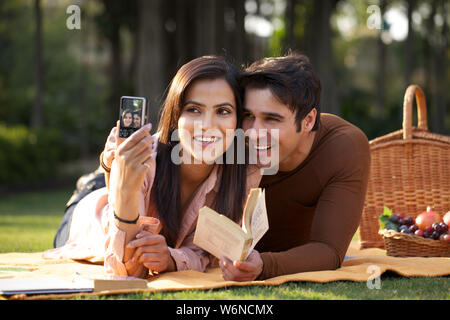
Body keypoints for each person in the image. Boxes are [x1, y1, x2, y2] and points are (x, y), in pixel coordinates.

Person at [45, 56, 261, 278]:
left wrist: (170, 259)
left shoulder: (242, 173)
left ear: (238, 120)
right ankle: (99, 177)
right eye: (194, 109)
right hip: (88, 217)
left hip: (121, 186)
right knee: (119, 172)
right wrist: (126, 190)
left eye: (223, 111)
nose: (207, 126)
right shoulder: (146, 159)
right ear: (176, 115)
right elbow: (128, 272)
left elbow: (208, 254)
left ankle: (106, 175)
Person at [218, 53, 371, 281]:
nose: (253, 132)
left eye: (271, 119)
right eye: (248, 116)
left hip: (281, 258)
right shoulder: (230, 134)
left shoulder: (344, 146)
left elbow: (329, 249)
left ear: (308, 120)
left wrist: (265, 265)